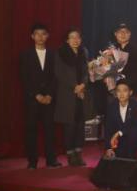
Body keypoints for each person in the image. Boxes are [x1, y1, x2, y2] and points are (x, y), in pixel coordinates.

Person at [20, 22, 59, 169]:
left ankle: (51, 160)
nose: (40, 37)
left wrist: (49, 95)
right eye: (37, 34)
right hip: (32, 99)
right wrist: (36, 94)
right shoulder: (25, 55)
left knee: (50, 130)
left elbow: (56, 77)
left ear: (47, 36)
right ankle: (32, 161)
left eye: (43, 34)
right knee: (31, 130)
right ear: (32, 36)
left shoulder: (53, 54)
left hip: (49, 99)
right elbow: (24, 77)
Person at [54, 28, 91, 167]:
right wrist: (75, 86)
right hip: (67, 94)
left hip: (82, 93)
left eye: (78, 37)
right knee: (69, 125)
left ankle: (78, 153)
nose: (75, 40)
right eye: (72, 37)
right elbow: (59, 73)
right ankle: (70, 154)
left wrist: (83, 85)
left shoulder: (84, 52)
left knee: (80, 124)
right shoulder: (60, 53)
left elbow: (87, 71)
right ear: (67, 40)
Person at [103, 79, 137, 160]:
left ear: (130, 92)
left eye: (125, 91)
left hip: (133, 142)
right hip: (117, 143)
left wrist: (119, 133)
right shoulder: (111, 106)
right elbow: (108, 128)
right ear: (116, 93)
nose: (121, 94)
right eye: (118, 91)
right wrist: (109, 148)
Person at [111, 23, 137, 104]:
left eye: (126, 32)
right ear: (115, 34)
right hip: (115, 91)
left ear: (130, 34)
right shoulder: (111, 50)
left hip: (133, 91)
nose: (123, 34)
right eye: (120, 32)